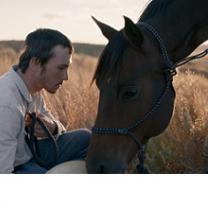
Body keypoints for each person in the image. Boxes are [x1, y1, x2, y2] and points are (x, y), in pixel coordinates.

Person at [0, 28, 91, 173]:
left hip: (28, 154)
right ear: (36, 63)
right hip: (13, 167)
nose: (66, 77)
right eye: (61, 68)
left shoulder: (35, 88)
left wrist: (52, 127)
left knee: (86, 139)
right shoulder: (7, 105)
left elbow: (59, 129)